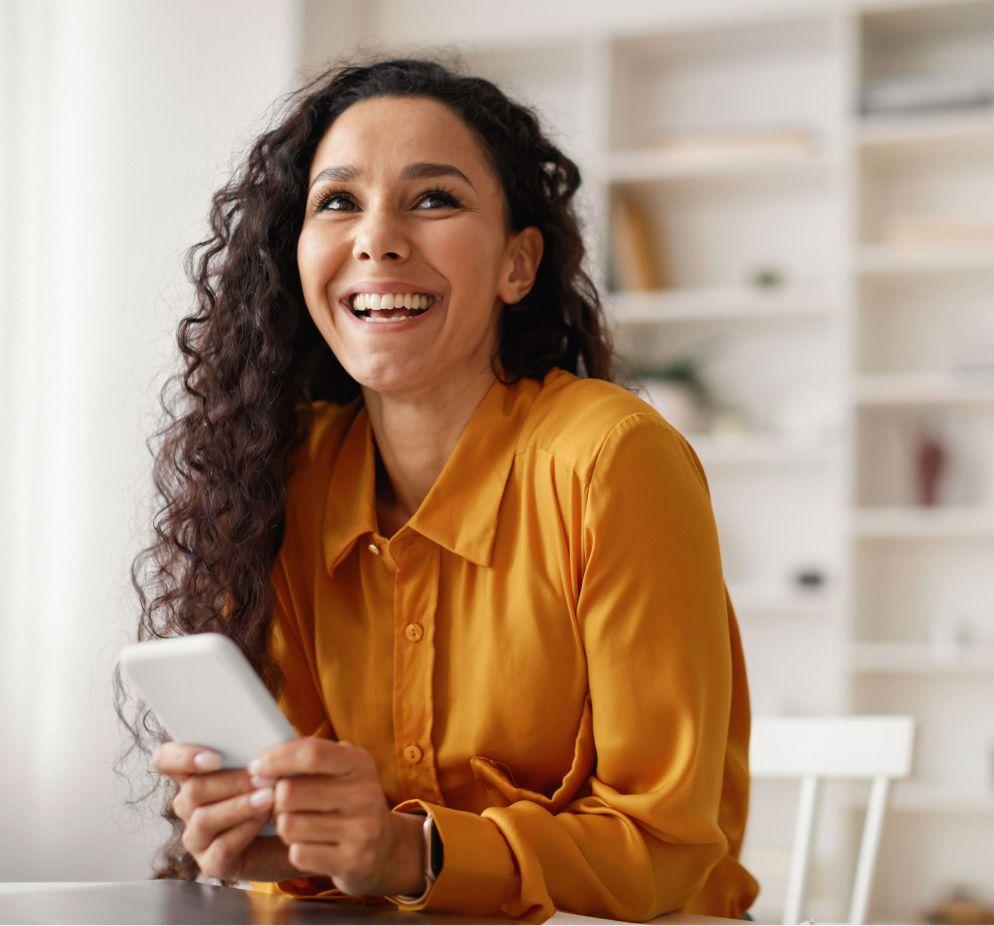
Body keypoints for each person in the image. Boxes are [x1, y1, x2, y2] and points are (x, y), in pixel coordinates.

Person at [122, 55, 760, 923]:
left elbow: (669, 853)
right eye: (337, 202)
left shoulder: (612, 459)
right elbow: (324, 859)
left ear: (516, 265)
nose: (376, 239)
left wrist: (405, 848)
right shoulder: (290, 479)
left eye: (433, 199)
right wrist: (281, 842)